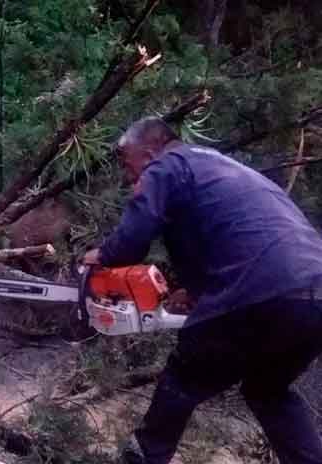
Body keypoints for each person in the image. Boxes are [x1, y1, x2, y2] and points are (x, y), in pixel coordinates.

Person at [82, 117, 322, 464]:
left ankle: (142, 459)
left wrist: (101, 255)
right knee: (267, 391)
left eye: (125, 162)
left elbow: (132, 241)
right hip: (313, 293)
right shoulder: (215, 166)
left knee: (182, 377)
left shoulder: (167, 166)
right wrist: (197, 290)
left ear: (149, 152)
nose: (127, 175)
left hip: (259, 291)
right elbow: (232, 236)